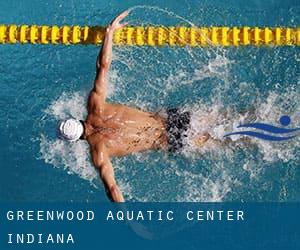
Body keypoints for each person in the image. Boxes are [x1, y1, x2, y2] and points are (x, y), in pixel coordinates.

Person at [58, 11, 210, 202]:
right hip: (172, 118)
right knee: (226, 118)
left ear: (76, 140)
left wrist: (129, 221)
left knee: (228, 141)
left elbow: (112, 189)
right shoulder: (95, 105)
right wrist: (109, 33)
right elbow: (103, 66)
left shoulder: (99, 152)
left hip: (171, 140)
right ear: (76, 119)